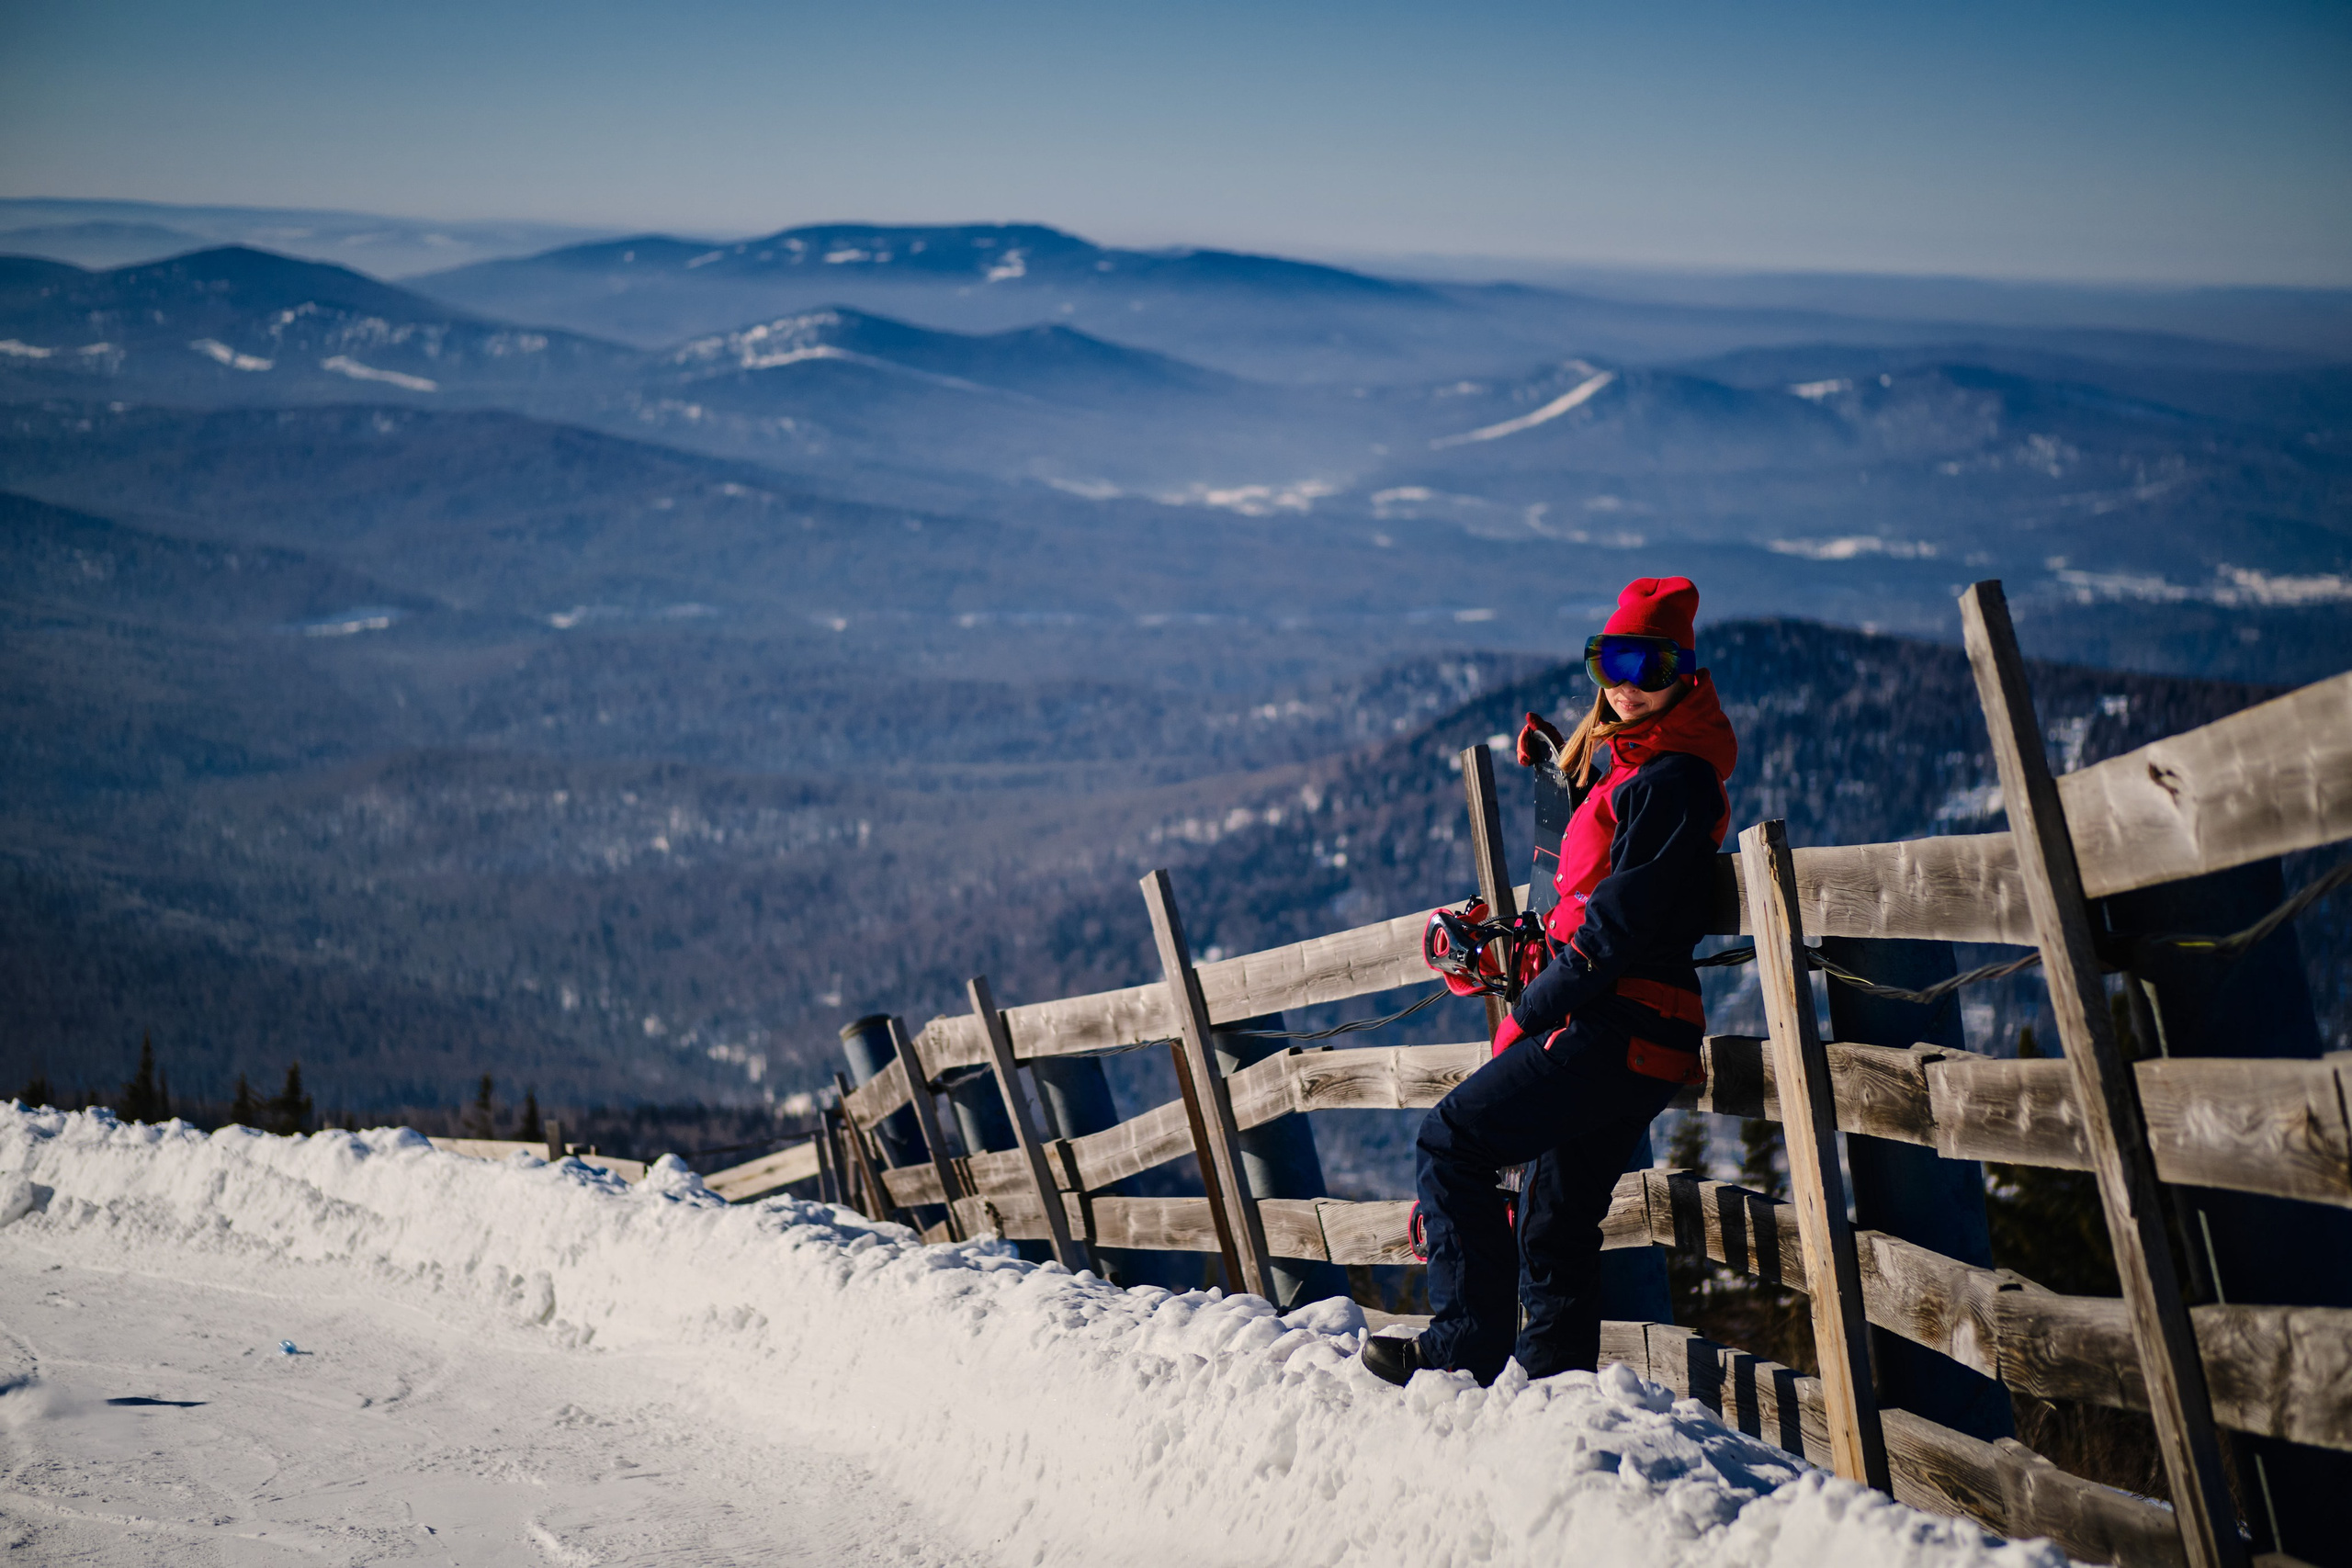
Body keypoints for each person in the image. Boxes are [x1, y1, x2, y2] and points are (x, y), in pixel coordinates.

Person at [1364, 575, 1738, 1387]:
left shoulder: (1675, 780)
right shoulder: (1639, 769)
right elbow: (1596, 899)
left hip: (1616, 1025)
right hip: (1640, 1029)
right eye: (1612, 660)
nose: (1629, 683)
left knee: (1451, 1141)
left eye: (1650, 662)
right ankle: (1550, 1385)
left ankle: (1462, 1346)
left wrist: (1535, 1001)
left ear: (1686, 669)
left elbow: (1618, 924)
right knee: (1554, 1217)